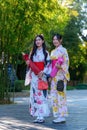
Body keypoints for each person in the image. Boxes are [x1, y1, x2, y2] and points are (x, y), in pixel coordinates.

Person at [25, 34, 51, 123]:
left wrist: (43, 72)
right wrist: (28, 64)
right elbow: (30, 65)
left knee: (42, 96)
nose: (38, 41)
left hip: (42, 76)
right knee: (34, 96)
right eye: (36, 40)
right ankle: (37, 115)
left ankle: (42, 116)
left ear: (43, 41)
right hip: (34, 77)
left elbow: (48, 64)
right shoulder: (32, 52)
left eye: (39, 40)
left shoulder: (46, 53)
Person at [50, 33, 70, 123]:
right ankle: (57, 115)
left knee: (61, 95)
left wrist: (61, 67)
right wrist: (50, 75)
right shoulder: (53, 52)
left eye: (56, 39)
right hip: (54, 76)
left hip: (61, 76)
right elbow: (51, 64)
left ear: (60, 40)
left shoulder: (63, 50)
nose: (55, 41)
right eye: (53, 39)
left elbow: (66, 63)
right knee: (54, 96)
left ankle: (62, 116)